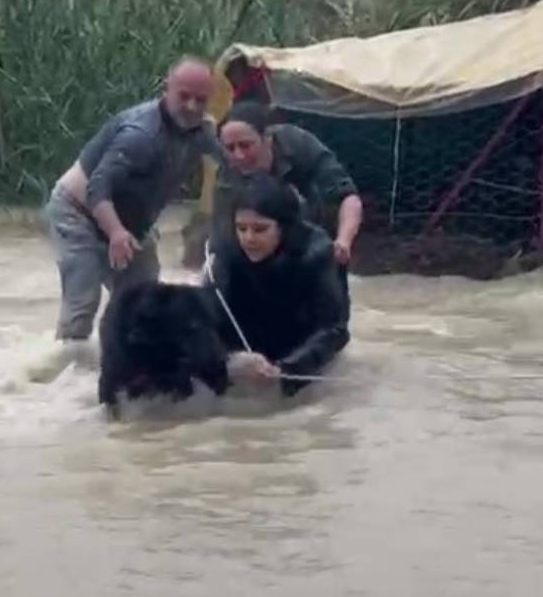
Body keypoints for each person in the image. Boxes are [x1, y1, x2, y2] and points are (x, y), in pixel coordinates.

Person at [42, 56, 224, 368]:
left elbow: (235, 165)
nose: (192, 106)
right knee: (83, 303)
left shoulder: (205, 131)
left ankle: (125, 366)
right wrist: (115, 233)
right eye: (184, 96)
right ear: (166, 89)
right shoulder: (140, 134)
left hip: (131, 224)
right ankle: (64, 383)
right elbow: (97, 187)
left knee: (144, 300)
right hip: (78, 213)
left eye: (201, 99)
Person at [204, 172, 351, 396]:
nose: (248, 238)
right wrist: (230, 358)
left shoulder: (317, 253)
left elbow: (333, 330)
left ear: (284, 227)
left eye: (260, 229)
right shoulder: (227, 252)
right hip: (248, 351)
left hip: (300, 350)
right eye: (241, 228)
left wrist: (287, 368)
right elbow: (204, 321)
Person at [208, 100, 363, 265]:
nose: (239, 156)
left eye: (246, 146)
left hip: (316, 229)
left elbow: (348, 197)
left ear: (267, 138)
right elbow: (221, 237)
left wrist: (343, 242)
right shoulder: (227, 173)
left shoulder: (299, 144)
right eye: (230, 148)